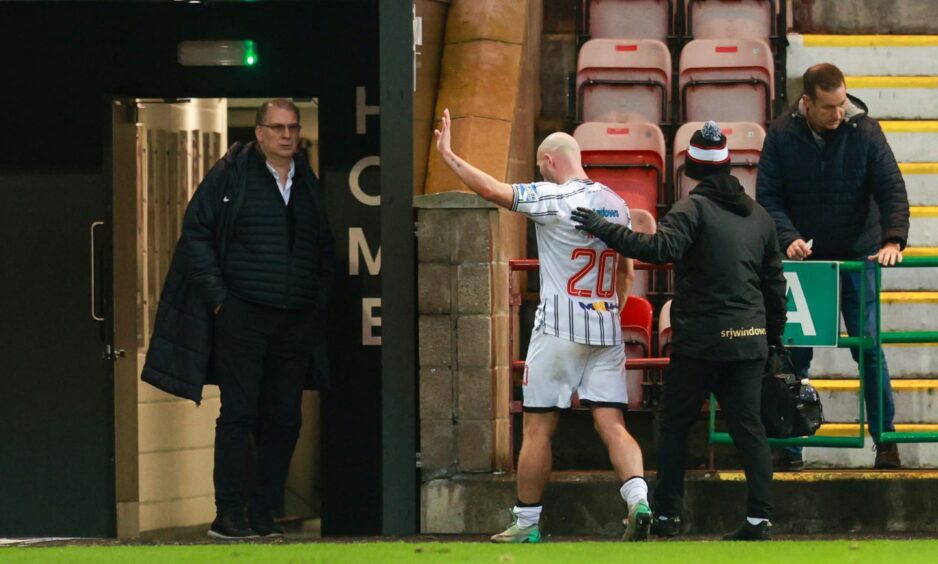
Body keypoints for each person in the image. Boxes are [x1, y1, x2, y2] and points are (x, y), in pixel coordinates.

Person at [433, 108, 651, 542]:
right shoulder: (618, 204)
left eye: (540, 166)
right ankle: (639, 501)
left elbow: (493, 190)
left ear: (550, 161)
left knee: (537, 427)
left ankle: (527, 524)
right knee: (612, 424)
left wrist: (450, 155)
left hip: (558, 328)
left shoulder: (553, 198)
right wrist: (608, 309)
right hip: (606, 326)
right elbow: (626, 272)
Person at [573, 122, 788, 541]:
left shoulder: (691, 210)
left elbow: (658, 250)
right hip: (749, 340)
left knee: (674, 424)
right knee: (749, 429)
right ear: (730, 166)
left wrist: (604, 229)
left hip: (701, 341)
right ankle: (760, 519)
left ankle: (669, 515)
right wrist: (774, 339)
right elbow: (774, 285)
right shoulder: (759, 217)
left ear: (689, 168)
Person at [141, 99, 335, 539]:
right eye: (278, 128)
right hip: (243, 314)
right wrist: (220, 301)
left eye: (293, 127)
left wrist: (315, 302)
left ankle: (264, 513)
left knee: (285, 419)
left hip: (295, 318)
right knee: (240, 414)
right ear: (260, 133)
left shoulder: (306, 181)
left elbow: (323, 244)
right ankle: (229, 514)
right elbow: (197, 232)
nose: (287, 135)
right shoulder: (231, 174)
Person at [756, 63, 910, 471]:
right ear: (806, 102)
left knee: (870, 351)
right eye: (829, 107)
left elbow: (891, 186)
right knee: (794, 356)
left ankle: (887, 440)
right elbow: (768, 196)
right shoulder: (781, 135)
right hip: (805, 263)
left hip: (858, 258)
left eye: (842, 103)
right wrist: (787, 237)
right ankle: (790, 445)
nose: (839, 113)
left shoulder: (866, 130)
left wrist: (893, 239)